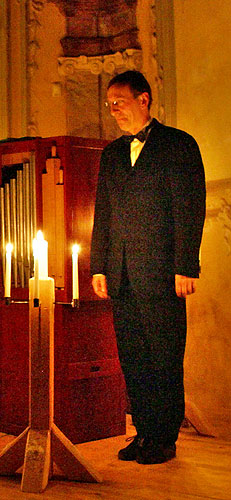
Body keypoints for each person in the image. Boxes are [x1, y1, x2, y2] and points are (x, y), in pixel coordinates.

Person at [90, 70, 205, 465]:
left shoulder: (178, 145)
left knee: (164, 355)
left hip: (162, 272)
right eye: (109, 104)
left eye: (119, 101)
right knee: (134, 357)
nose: (114, 110)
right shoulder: (111, 154)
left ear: (144, 99)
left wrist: (186, 265)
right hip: (120, 273)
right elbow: (103, 213)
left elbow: (190, 208)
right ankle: (144, 432)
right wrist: (99, 266)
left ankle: (164, 438)